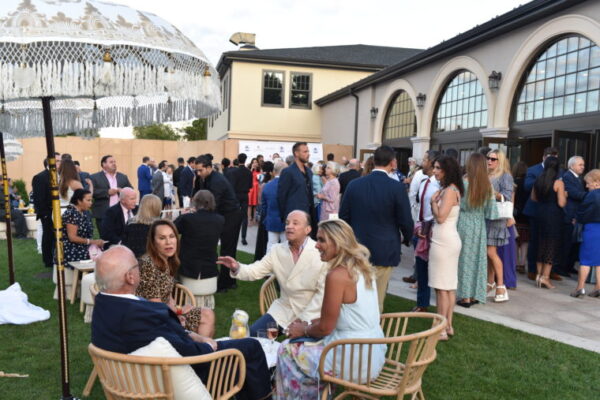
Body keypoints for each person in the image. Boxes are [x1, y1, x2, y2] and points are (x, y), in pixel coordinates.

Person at [91, 246, 272, 400]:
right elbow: (187, 352)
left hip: (138, 374)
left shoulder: (104, 304)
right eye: (137, 265)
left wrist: (193, 334)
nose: (141, 269)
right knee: (251, 347)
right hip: (175, 376)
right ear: (130, 277)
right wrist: (209, 346)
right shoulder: (139, 316)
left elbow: (166, 336)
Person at [274, 219, 386, 399]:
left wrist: (303, 329)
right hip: (373, 354)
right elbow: (344, 317)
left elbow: (326, 328)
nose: (316, 245)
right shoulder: (363, 268)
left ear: (338, 243)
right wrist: (309, 325)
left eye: (321, 240)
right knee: (306, 343)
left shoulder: (337, 275)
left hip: (351, 358)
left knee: (286, 349)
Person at [218, 210, 327, 337]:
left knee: (295, 348)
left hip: (312, 314)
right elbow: (256, 270)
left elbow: (322, 295)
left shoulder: (320, 253)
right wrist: (237, 267)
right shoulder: (277, 250)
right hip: (283, 310)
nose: (289, 226)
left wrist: (302, 320)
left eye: (295, 223)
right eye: (287, 223)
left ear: (307, 229)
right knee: (250, 338)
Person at [340, 145, 413, 312]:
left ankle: (359, 326)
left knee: (357, 296)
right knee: (377, 298)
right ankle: (372, 327)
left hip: (358, 248)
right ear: (392, 162)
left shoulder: (354, 185)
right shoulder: (396, 187)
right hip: (384, 249)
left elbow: (343, 217)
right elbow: (405, 220)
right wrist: (408, 237)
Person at [136, 219, 215, 337]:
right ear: (153, 242)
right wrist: (179, 312)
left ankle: (200, 346)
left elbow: (167, 296)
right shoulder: (148, 264)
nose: (168, 242)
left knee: (207, 314)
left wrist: (177, 311)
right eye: (162, 238)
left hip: (165, 313)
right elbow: (155, 305)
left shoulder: (166, 261)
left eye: (172, 236)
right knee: (206, 317)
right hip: (152, 321)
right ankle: (200, 347)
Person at [195, 155, 242, 292]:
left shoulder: (217, 181)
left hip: (231, 216)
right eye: (197, 171)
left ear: (209, 168)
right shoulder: (205, 178)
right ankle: (228, 281)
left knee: (227, 250)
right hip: (222, 215)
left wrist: (199, 215)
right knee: (223, 249)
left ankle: (226, 283)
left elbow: (212, 204)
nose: (198, 173)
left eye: (200, 170)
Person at [456, 153, 497, 308]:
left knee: (463, 260)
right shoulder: (487, 186)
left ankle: (465, 296)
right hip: (478, 225)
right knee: (477, 261)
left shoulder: (462, 183)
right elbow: (492, 212)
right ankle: (474, 295)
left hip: (462, 222)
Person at [428, 156, 462, 340]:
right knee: (448, 287)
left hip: (444, 241)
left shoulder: (449, 191)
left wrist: (433, 203)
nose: (434, 171)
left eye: (438, 168)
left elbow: (441, 218)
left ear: (447, 170)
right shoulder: (452, 189)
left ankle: (440, 328)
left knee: (442, 287)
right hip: (448, 239)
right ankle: (447, 325)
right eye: (434, 167)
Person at [174, 190, 224, 307]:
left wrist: (183, 215)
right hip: (209, 268)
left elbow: (171, 229)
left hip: (188, 268)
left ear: (195, 202)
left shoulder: (187, 219)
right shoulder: (220, 219)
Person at [522, 147, 560, 281]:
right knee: (535, 241)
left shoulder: (559, 171)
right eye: (550, 157)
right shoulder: (533, 170)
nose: (552, 159)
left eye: (555, 157)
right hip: (535, 210)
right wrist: (545, 179)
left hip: (553, 212)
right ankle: (533, 270)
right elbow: (527, 186)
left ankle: (549, 270)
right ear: (544, 157)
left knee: (551, 242)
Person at [532, 156, 567, 289]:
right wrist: (565, 196)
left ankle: (538, 275)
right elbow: (561, 203)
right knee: (551, 246)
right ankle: (545, 277)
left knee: (540, 244)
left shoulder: (538, 180)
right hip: (553, 216)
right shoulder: (558, 183)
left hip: (540, 213)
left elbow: (534, 198)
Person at [485, 149, 513, 302]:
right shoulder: (485, 174)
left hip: (496, 218)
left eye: (493, 159)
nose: (489, 161)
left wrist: (493, 192)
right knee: (487, 253)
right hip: (485, 216)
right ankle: (490, 283)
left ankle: (501, 286)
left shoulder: (505, 176)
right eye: (488, 158)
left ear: (500, 161)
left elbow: (507, 196)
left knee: (491, 252)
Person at [571, 169, 600, 298]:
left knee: (585, 260)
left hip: (591, 229)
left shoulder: (592, 195)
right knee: (599, 261)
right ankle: (598, 287)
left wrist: (576, 219)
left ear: (596, 182)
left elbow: (582, 212)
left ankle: (580, 288)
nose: (587, 186)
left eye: (588, 183)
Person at [278, 142, 316, 235]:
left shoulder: (309, 172)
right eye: (305, 152)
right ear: (296, 153)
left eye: (308, 151)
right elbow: (281, 196)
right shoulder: (288, 172)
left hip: (308, 217)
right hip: (294, 217)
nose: (308, 154)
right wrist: (286, 218)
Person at [559, 156, 587, 276]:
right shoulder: (567, 177)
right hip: (569, 215)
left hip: (576, 214)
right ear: (572, 166)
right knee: (567, 243)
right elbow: (574, 194)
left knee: (574, 244)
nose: (583, 167)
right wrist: (592, 195)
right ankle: (562, 268)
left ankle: (569, 266)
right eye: (580, 165)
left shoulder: (578, 178)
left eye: (583, 165)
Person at [90, 155, 133, 231]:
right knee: (105, 236)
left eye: (114, 162)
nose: (114, 163)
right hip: (103, 213)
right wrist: (107, 192)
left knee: (121, 235)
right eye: (111, 162)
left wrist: (123, 191)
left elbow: (131, 190)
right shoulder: (95, 177)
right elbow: (91, 193)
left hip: (120, 213)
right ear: (104, 164)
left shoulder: (123, 177)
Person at [61, 189, 105, 262]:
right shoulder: (71, 213)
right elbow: (72, 237)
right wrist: (92, 242)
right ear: (79, 201)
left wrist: (95, 242)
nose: (91, 203)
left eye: (91, 200)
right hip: (72, 251)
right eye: (88, 200)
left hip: (84, 249)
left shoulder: (85, 213)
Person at [32, 155, 60, 268]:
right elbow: (38, 197)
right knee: (48, 236)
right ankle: (48, 261)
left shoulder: (61, 175)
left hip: (60, 211)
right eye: (57, 161)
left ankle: (58, 256)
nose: (60, 163)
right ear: (50, 162)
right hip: (47, 212)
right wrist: (45, 214)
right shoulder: (40, 177)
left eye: (60, 161)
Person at [122, 194, 162, 258]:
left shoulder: (130, 223)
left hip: (132, 259)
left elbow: (124, 244)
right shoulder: (159, 225)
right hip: (152, 260)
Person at [261, 161, 287, 251]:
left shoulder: (267, 186)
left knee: (271, 246)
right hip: (285, 221)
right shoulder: (288, 186)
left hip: (272, 220)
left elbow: (264, 206)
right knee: (285, 247)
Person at [229, 153, 252, 246]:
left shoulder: (234, 172)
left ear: (238, 160)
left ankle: (233, 235)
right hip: (245, 195)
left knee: (234, 215)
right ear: (245, 160)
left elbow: (232, 185)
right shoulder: (249, 172)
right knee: (244, 216)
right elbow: (250, 186)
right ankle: (243, 237)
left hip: (236, 195)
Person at [254, 161, 274, 261]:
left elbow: (259, 201)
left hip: (264, 213)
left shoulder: (263, 184)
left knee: (264, 238)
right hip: (267, 213)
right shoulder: (268, 184)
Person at [512, 161, 529, 273]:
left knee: (515, 238)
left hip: (515, 213)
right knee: (525, 240)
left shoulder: (513, 182)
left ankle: (515, 262)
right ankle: (522, 263)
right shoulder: (528, 183)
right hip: (526, 213)